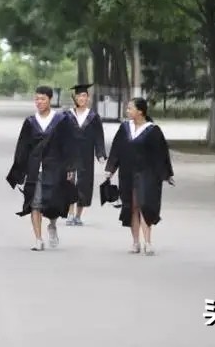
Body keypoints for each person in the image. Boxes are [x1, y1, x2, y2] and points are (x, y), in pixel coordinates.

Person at [5, 85, 78, 251]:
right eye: (36, 99)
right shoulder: (30, 122)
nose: (39, 102)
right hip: (34, 168)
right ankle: (38, 239)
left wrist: (70, 168)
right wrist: (18, 172)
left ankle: (52, 225)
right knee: (35, 203)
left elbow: (69, 145)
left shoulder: (61, 120)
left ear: (50, 100)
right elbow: (22, 147)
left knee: (53, 204)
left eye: (42, 99)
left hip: (55, 168)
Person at [104, 97, 174, 255]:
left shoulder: (153, 130)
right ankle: (135, 242)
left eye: (130, 108)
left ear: (140, 111)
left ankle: (148, 242)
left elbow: (161, 154)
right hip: (127, 173)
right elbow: (117, 149)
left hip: (147, 174)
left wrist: (166, 174)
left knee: (145, 205)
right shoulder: (124, 128)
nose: (127, 111)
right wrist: (111, 169)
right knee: (131, 207)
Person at [63, 83, 105, 226]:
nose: (82, 98)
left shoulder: (93, 117)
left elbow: (99, 137)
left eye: (84, 95)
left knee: (84, 185)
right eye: (79, 95)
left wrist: (100, 154)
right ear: (75, 97)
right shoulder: (67, 115)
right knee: (69, 182)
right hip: (70, 154)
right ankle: (69, 213)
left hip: (86, 155)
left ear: (88, 98)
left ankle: (78, 215)